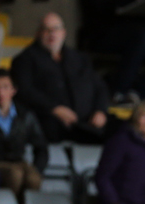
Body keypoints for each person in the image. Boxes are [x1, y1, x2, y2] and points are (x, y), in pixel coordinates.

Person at [11, 13, 109, 144]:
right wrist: (54, 108)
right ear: (38, 33)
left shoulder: (80, 59)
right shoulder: (24, 60)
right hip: (52, 122)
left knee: (126, 129)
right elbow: (24, 90)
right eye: (46, 29)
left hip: (88, 120)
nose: (52, 33)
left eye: (56, 29)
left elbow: (100, 87)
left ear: (63, 32)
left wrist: (100, 111)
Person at [0, 68, 48, 195]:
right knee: (14, 175)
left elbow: (41, 146)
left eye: (5, 87)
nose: (0, 92)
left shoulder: (26, 115)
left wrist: (37, 168)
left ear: (13, 90)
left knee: (34, 179)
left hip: (19, 162)